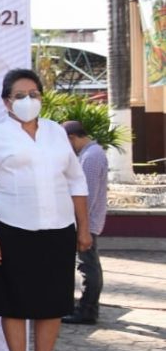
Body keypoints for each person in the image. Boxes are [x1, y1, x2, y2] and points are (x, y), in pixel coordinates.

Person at [0, 69, 92, 351]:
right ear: (6, 100)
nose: (28, 100)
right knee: (16, 303)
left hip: (58, 229)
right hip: (11, 230)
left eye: (34, 94)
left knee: (52, 305)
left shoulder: (55, 132)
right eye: (20, 95)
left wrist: (83, 227)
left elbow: (76, 182)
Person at [61, 120, 109, 325]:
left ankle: (87, 310)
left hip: (86, 223)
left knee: (88, 266)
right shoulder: (91, 154)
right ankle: (85, 308)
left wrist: (81, 227)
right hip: (86, 222)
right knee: (88, 265)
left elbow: (86, 197)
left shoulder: (91, 157)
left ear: (72, 138)